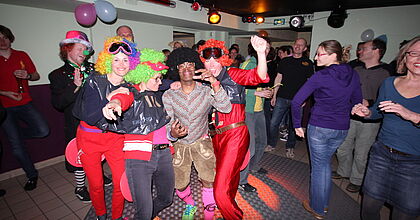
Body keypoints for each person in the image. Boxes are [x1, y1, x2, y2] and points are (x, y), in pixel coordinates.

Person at [101, 48, 186, 220]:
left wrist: (173, 135)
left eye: (161, 77)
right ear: (144, 75)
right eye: (156, 78)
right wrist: (116, 102)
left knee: (166, 198)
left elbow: (162, 131)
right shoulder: (131, 90)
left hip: (163, 155)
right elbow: (123, 97)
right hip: (139, 159)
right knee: (144, 211)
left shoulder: (156, 96)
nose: (160, 82)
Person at [197, 36, 269, 220]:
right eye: (207, 61)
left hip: (235, 133)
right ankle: (228, 211)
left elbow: (259, 76)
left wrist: (261, 53)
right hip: (216, 137)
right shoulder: (205, 80)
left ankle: (233, 216)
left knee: (219, 191)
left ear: (223, 59)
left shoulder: (233, 74)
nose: (212, 65)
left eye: (215, 60)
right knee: (228, 179)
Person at [291, 40, 362, 219]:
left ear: (333, 55)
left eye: (320, 54)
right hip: (341, 128)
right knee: (325, 164)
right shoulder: (353, 74)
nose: (315, 58)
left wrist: (297, 124)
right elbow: (357, 100)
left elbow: (296, 101)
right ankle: (322, 204)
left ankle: (318, 207)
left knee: (320, 167)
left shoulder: (321, 76)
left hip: (320, 127)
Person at [352, 36, 420, 220]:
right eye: (414, 53)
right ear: (405, 57)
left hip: (415, 162)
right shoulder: (390, 83)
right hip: (382, 153)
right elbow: (378, 111)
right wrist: (367, 113)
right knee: (369, 206)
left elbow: (409, 115)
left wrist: (412, 116)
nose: (418, 59)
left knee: (404, 214)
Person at [73, 36, 138, 220]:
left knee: (120, 181)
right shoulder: (95, 80)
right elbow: (91, 116)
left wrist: (118, 99)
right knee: (96, 184)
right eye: (116, 59)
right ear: (108, 61)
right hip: (89, 138)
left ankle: (116, 216)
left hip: (114, 138)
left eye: (125, 59)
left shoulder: (128, 86)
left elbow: (126, 99)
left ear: (131, 63)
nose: (121, 64)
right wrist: (111, 97)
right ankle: (101, 214)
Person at [163, 47, 231, 220]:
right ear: (176, 69)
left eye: (190, 64)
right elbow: (167, 121)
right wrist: (172, 133)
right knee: (179, 184)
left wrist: (215, 82)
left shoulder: (206, 91)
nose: (186, 68)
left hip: (202, 142)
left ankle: (209, 211)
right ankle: (190, 203)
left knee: (208, 178)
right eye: (181, 65)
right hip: (180, 145)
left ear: (196, 67)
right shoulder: (169, 95)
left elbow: (226, 107)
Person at [49, 30, 113, 202]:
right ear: (67, 49)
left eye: (86, 49)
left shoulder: (94, 68)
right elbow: (58, 104)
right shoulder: (57, 75)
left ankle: (99, 175)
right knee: (80, 156)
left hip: (98, 120)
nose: (84, 53)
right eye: (79, 48)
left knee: (98, 152)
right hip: (76, 123)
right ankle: (80, 187)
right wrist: (75, 86)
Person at [333, 39, 390, 193]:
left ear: (376, 51)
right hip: (349, 116)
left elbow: (388, 99)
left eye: (364, 48)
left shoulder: (386, 72)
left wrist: (369, 102)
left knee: (361, 152)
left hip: (370, 120)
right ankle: (343, 172)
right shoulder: (355, 68)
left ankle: (357, 180)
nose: (360, 51)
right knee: (343, 148)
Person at [0, 25, 49, 191]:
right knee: (16, 147)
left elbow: (36, 75)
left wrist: (27, 75)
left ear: (10, 38)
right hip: (4, 107)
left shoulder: (21, 55)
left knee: (43, 130)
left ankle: (15, 135)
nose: (2, 41)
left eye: (5, 37)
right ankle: (31, 175)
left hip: (25, 102)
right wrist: (5, 93)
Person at [267, 38, 314, 158]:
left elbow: (310, 84)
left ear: (304, 48)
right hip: (282, 97)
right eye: (296, 44)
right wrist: (274, 95)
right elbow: (278, 78)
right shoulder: (285, 61)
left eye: (301, 45)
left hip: (298, 101)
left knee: (294, 126)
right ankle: (271, 144)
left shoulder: (308, 63)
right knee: (273, 123)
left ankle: (290, 147)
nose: (297, 46)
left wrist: (305, 99)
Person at [238, 38, 273, 193]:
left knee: (262, 142)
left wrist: (268, 91)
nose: (266, 51)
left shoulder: (262, 65)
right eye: (264, 48)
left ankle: (253, 166)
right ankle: (241, 180)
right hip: (248, 111)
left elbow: (261, 83)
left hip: (259, 109)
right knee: (249, 148)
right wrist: (258, 92)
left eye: (268, 49)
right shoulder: (249, 63)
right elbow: (238, 88)